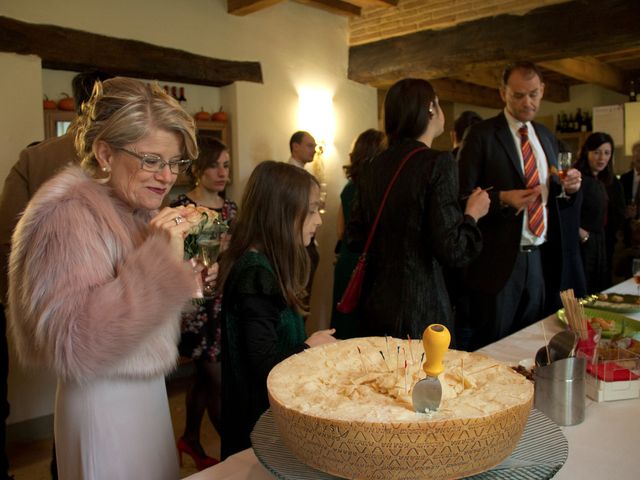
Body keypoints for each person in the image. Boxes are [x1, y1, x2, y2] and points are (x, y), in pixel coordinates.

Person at [8, 77, 213, 480]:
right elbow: (75, 339)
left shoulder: (133, 210)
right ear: (104, 152)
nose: (167, 176)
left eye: (175, 163)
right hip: (102, 402)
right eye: (151, 160)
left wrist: (186, 275)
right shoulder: (68, 215)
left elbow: (141, 310)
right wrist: (159, 262)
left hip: (146, 392)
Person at [0, 69, 111, 480]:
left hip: (53, 302)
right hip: (116, 304)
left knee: (75, 398)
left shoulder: (35, 158)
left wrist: (25, 305)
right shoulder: (128, 155)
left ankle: (65, 465)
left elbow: (9, 239)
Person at [347, 78, 490, 341]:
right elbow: (454, 249)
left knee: (382, 380)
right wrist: (473, 214)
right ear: (431, 109)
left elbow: (355, 235)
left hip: (375, 304)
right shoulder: (438, 163)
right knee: (425, 380)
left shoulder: (372, 166)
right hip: (422, 307)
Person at [458, 61, 583, 351]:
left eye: (534, 94)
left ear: (543, 91)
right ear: (503, 93)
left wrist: (569, 189)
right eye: (518, 95)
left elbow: (555, 196)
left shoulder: (546, 137)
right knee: (493, 348)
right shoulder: (481, 135)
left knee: (531, 347)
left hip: (539, 258)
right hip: (498, 261)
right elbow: (460, 194)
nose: (527, 102)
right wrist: (501, 198)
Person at [217, 161, 336, 459]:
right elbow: (263, 363)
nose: (318, 221)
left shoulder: (262, 264)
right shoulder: (256, 274)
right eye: (310, 210)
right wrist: (309, 347)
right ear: (281, 213)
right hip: (258, 427)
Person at [171, 136, 237, 469]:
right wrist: (218, 249)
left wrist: (229, 252)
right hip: (196, 309)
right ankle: (236, 455)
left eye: (226, 165)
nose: (221, 172)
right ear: (198, 168)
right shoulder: (181, 208)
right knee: (217, 382)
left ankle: (191, 439)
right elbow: (182, 261)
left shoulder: (230, 208)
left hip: (225, 304)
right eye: (214, 165)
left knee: (201, 378)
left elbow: (236, 257)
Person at [330, 129, 386, 339]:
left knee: (343, 327)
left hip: (348, 262)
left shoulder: (349, 188)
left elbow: (340, 230)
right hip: (367, 264)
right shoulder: (377, 188)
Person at [574, 132, 626, 293]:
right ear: (586, 152)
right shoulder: (576, 177)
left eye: (606, 153)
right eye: (596, 152)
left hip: (601, 242)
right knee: (583, 290)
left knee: (599, 289)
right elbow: (564, 212)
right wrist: (583, 235)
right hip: (581, 244)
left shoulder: (607, 179)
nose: (601, 158)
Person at [288, 131, 320, 305]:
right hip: (297, 247)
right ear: (295, 146)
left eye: (315, 146)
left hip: (308, 245)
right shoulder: (291, 178)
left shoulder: (305, 175)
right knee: (297, 302)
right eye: (309, 145)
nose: (314, 149)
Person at [619, 141, 640, 246]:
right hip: (627, 232)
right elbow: (619, 201)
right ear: (633, 157)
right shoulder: (624, 178)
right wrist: (625, 211)